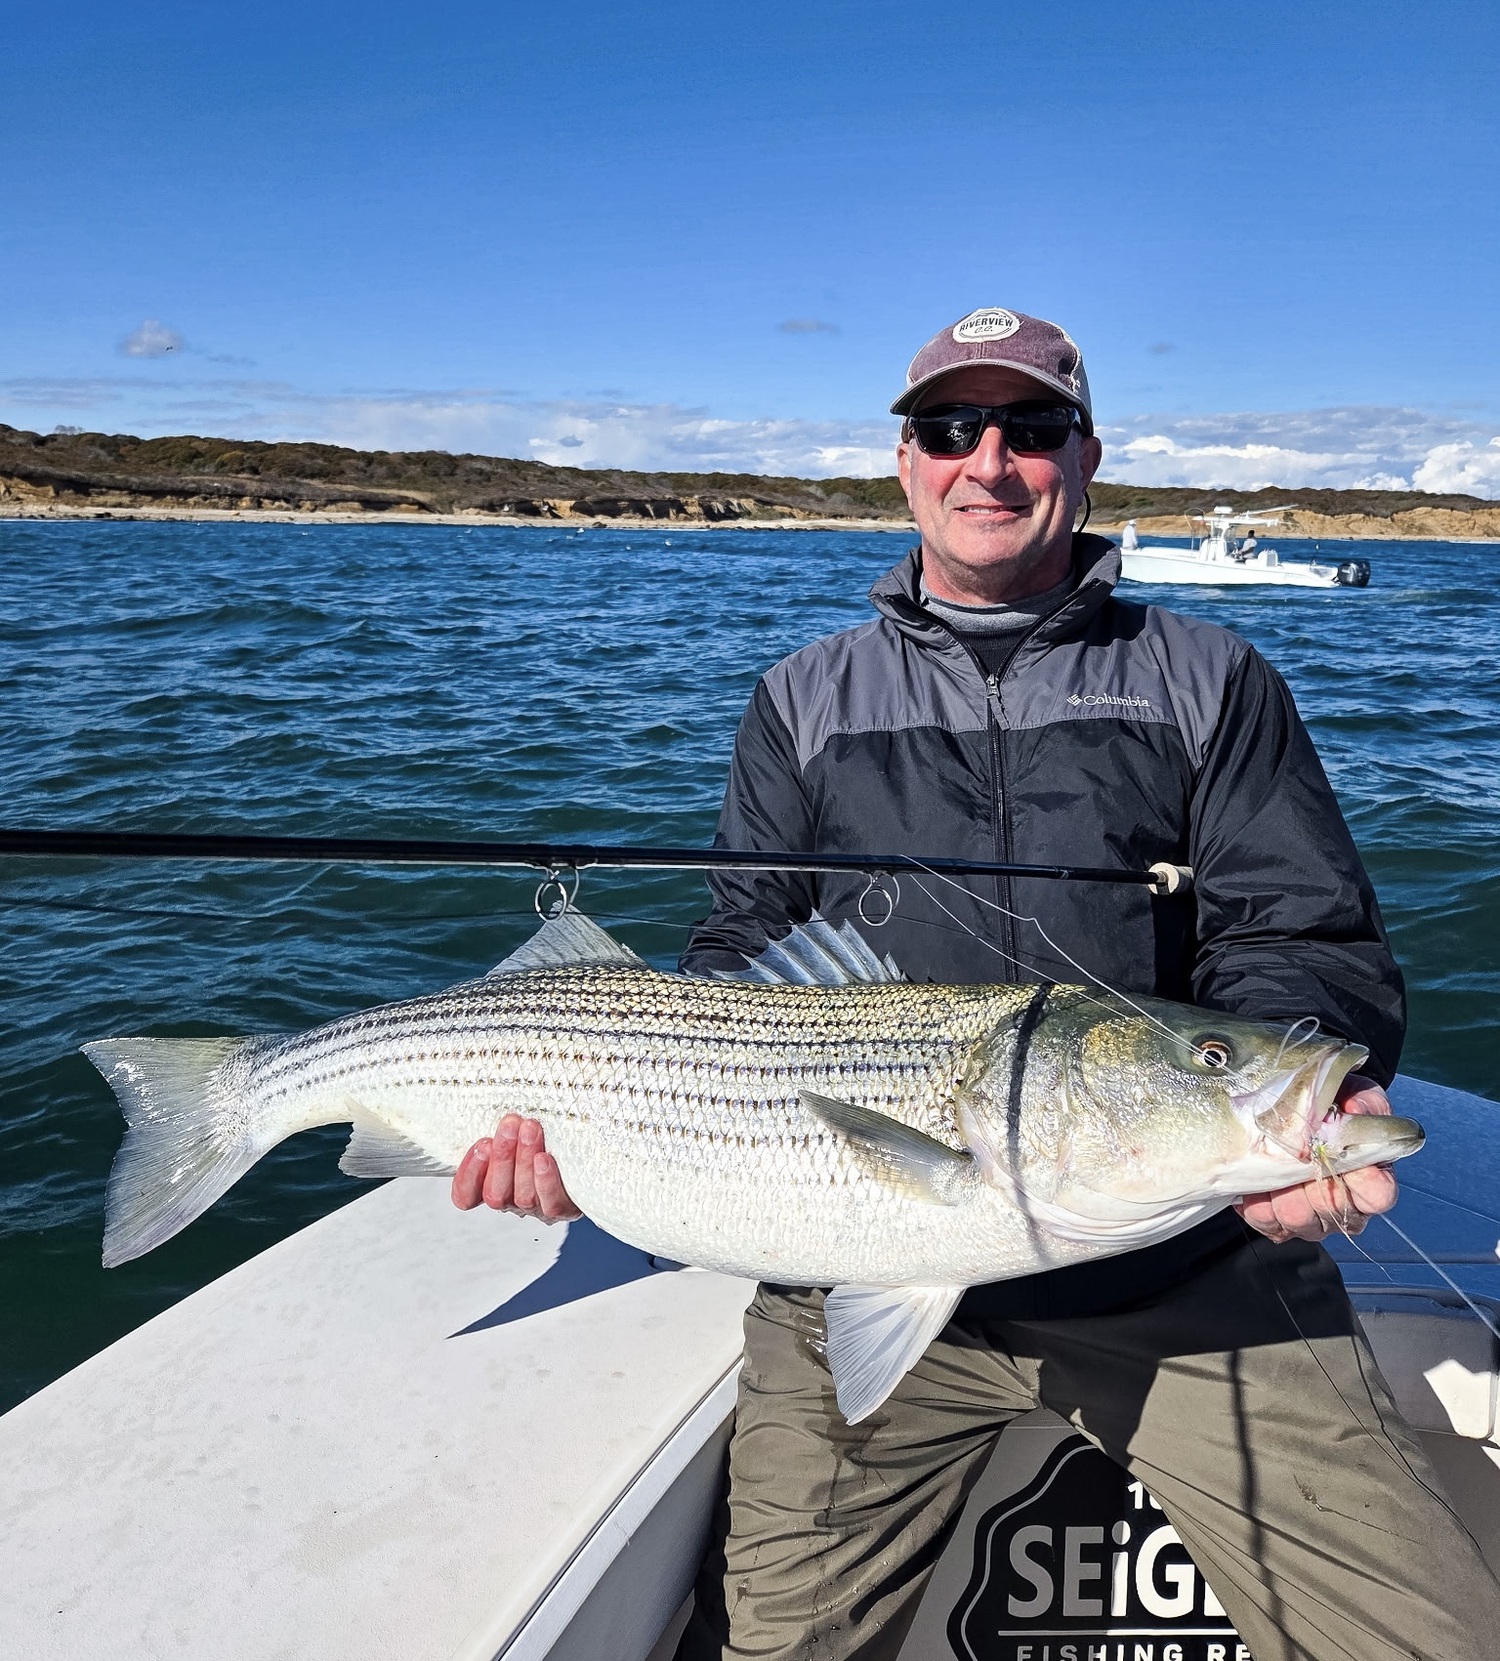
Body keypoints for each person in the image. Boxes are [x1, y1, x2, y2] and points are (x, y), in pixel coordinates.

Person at [452, 308, 1500, 1660]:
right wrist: (597, 1146)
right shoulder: (801, 697)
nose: (989, 461)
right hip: (858, 1262)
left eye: (1032, 426)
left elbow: (1302, 936)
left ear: (1087, 454)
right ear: (907, 461)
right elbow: (741, 961)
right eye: (951, 428)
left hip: (1189, 1277)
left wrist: (1304, 1080)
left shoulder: (1211, 678)